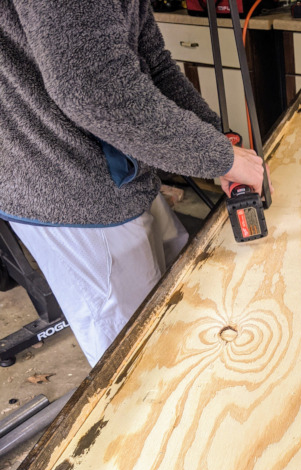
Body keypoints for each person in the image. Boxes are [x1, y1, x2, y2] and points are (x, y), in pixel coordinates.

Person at [0, 0, 267, 366]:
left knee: (182, 299)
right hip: (72, 190)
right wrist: (218, 157)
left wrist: (218, 142)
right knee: (137, 362)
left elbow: (151, 64)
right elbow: (93, 89)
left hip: (118, 169)